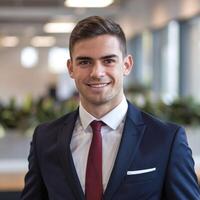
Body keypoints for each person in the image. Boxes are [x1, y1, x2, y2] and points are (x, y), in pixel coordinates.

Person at [21, 16, 200, 200]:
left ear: (127, 65)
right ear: (70, 68)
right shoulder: (45, 138)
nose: (97, 73)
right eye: (84, 62)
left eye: (108, 61)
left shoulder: (166, 139)